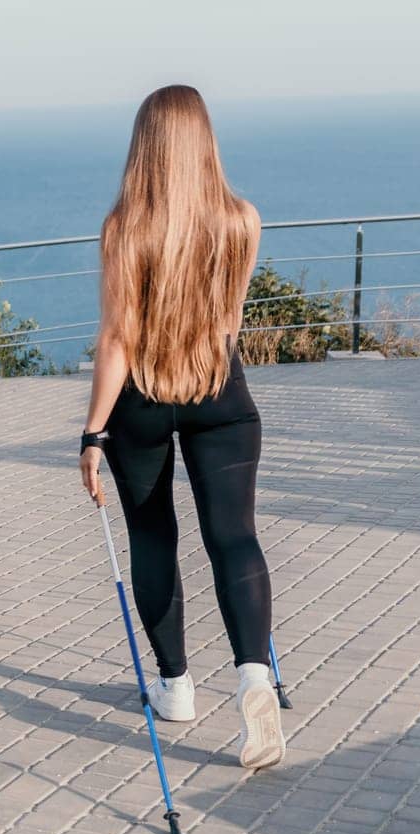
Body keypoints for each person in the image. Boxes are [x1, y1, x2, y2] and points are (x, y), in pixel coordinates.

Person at [79, 84, 284, 770]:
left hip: (142, 397)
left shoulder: (124, 229)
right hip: (219, 390)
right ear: (206, 142)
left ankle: (176, 688)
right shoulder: (241, 221)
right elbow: (229, 323)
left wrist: (91, 433)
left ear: (145, 147)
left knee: (153, 535)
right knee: (234, 537)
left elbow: (116, 340)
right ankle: (255, 676)